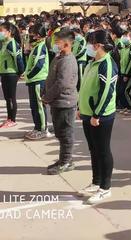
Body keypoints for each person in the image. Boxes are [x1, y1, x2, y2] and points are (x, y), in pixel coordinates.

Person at [77, 30, 118, 204]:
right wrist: (80, 107)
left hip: (101, 116)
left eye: (90, 43)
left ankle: (105, 188)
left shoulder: (107, 64)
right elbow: (85, 86)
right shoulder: (92, 62)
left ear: (98, 45)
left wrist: (97, 114)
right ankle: (96, 181)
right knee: (93, 149)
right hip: (87, 113)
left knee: (103, 150)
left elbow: (106, 92)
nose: (88, 47)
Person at [42, 28, 78, 174]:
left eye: (58, 42)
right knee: (60, 133)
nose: (55, 44)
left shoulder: (68, 61)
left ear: (67, 44)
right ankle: (64, 159)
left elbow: (61, 84)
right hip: (57, 102)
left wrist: (47, 97)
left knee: (65, 134)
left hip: (65, 103)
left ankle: (66, 162)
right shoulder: (60, 57)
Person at [23, 23, 51, 140]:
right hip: (33, 80)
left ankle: (43, 129)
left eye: (32, 34)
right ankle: (37, 127)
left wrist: (28, 74)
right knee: (33, 106)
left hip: (38, 80)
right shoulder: (36, 46)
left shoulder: (41, 47)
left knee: (39, 106)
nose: (30, 36)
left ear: (38, 35)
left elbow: (38, 66)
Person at [0, 21, 25, 128]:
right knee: (7, 98)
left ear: (9, 32)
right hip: (4, 73)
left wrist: (20, 72)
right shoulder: (4, 43)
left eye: (1, 31)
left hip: (11, 74)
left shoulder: (12, 44)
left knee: (11, 98)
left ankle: (13, 119)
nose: (0, 33)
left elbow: (18, 59)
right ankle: (9, 118)